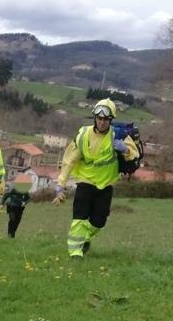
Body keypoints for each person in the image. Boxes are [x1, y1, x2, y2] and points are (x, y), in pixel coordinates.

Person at [53, 98, 139, 259]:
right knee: (79, 217)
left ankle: (85, 238)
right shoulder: (83, 135)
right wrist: (60, 184)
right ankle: (75, 253)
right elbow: (69, 160)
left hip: (106, 185)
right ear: (95, 118)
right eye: (99, 118)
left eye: (106, 119)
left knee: (99, 222)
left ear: (111, 120)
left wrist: (125, 149)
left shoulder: (118, 135)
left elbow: (134, 155)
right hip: (85, 182)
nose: (102, 122)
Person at [1, 174, 32, 238]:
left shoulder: (25, 191)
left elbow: (28, 199)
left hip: (20, 209)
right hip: (12, 208)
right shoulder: (13, 189)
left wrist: (25, 203)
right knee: (12, 220)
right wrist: (2, 204)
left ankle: (13, 234)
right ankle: (9, 234)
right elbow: (5, 196)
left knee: (17, 222)